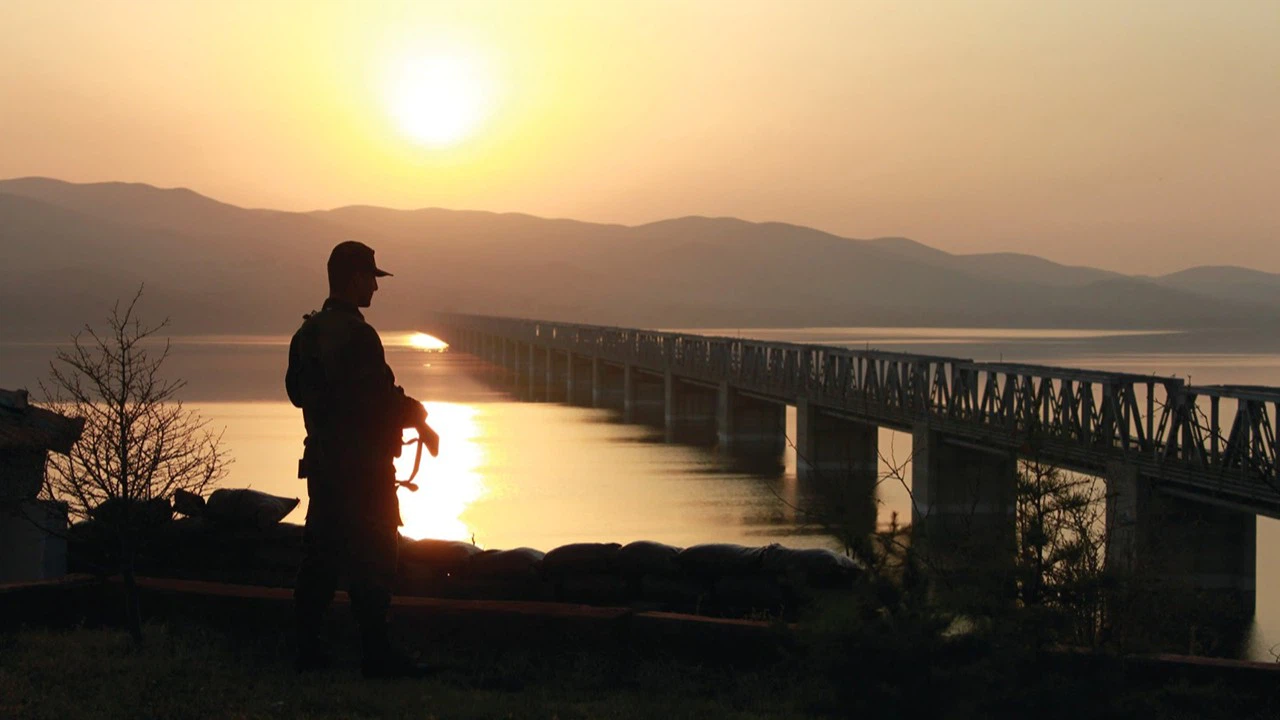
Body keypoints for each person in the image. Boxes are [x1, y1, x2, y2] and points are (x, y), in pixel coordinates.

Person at [285, 240, 436, 678]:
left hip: (326, 466)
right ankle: (376, 654)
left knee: (320, 559)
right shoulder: (359, 335)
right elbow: (381, 400)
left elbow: (297, 394)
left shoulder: (307, 334)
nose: (376, 287)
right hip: (365, 471)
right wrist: (419, 415)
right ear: (354, 279)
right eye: (371, 277)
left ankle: (307, 651)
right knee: (374, 560)